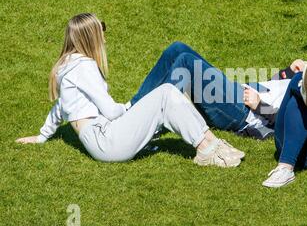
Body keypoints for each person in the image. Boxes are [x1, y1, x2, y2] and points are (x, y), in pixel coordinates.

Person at [15, 13, 244, 167]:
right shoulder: (84, 67)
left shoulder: (67, 65)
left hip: (102, 139)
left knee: (171, 70)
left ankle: (206, 140)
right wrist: (130, 109)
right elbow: (110, 111)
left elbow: (60, 107)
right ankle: (208, 148)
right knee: (166, 92)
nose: (104, 35)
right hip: (107, 141)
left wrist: (42, 136)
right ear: (92, 37)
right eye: (101, 29)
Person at [127, 41, 307, 138]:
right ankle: (132, 110)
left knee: (185, 63)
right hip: (241, 93)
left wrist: (260, 105)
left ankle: (146, 127)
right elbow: (276, 89)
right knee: (176, 50)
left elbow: (294, 116)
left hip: (242, 110)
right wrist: (286, 72)